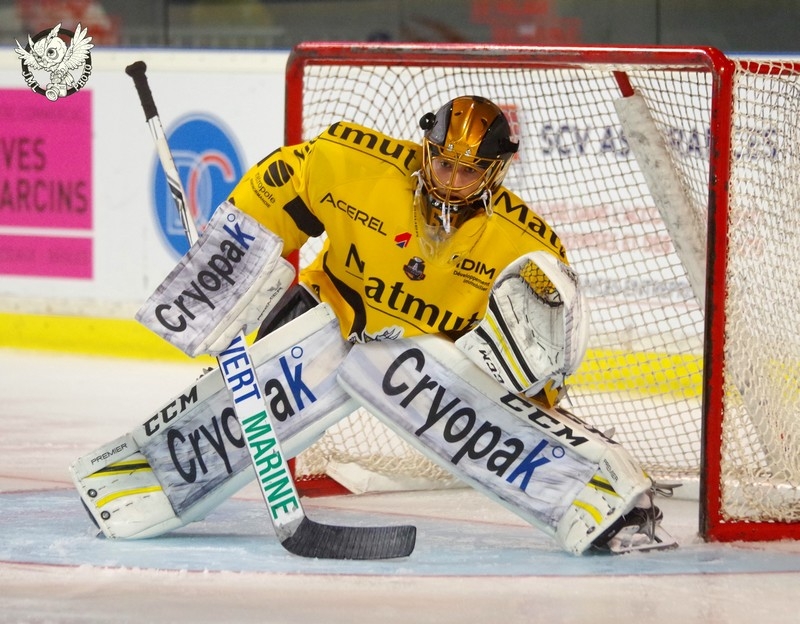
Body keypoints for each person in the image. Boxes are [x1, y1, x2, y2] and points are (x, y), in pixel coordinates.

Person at [73, 96, 674, 555]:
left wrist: (535, 404)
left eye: (471, 171)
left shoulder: (526, 244)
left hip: (420, 361)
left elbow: (539, 355)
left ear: (497, 170)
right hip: (327, 319)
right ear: (426, 149)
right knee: (277, 373)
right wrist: (229, 267)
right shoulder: (353, 162)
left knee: (440, 392)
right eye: (444, 162)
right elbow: (282, 184)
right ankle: (134, 480)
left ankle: (595, 493)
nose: (452, 180)